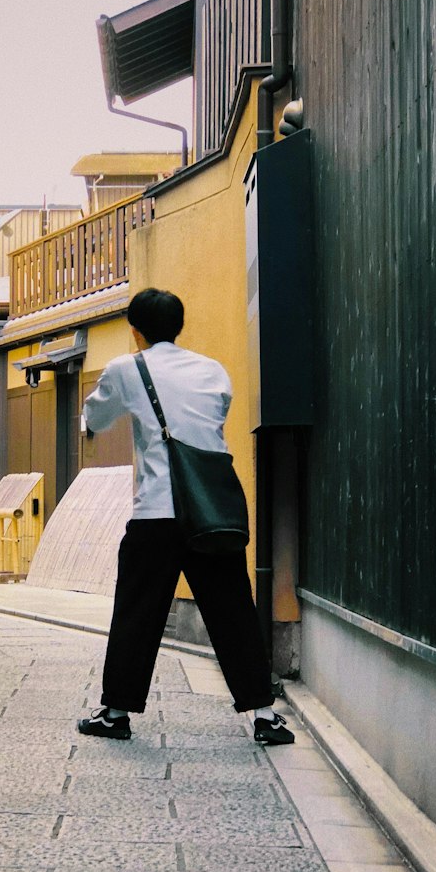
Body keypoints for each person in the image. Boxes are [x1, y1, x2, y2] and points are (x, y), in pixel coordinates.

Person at [77, 287, 292, 746]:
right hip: (211, 510)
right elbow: (211, 420)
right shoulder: (213, 370)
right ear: (179, 325)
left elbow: (96, 416)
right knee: (233, 610)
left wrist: (92, 424)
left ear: (134, 330)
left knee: (138, 611)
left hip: (156, 512)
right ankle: (264, 715)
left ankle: (116, 713)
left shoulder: (126, 369)